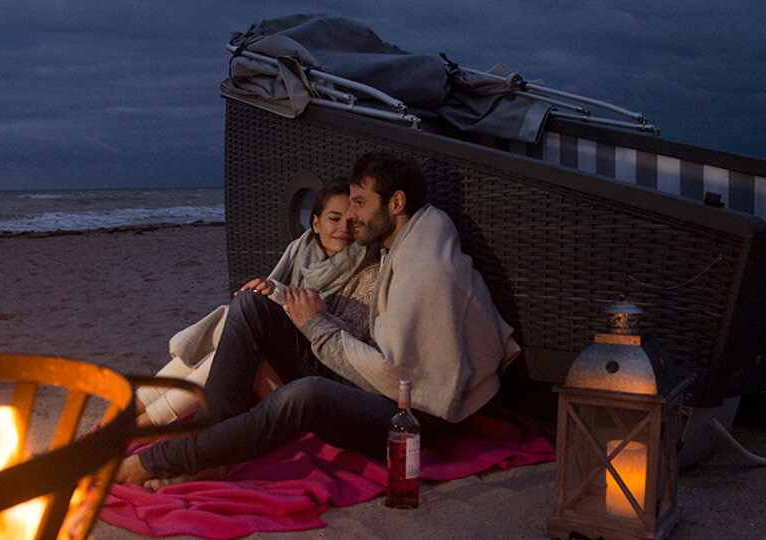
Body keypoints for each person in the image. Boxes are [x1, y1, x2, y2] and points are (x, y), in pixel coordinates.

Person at [116, 152, 520, 487]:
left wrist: (316, 325)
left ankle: (158, 461)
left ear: (396, 204)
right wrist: (293, 307)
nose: (353, 215)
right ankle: (208, 451)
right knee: (249, 305)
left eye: (360, 203)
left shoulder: (425, 267)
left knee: (304, 395)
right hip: (371, 383)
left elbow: (398, 378)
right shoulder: (397, 245)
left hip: (407, 418)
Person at [134, 178, 379, 427]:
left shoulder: (368, 267)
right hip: (290, 346)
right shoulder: (301, 249)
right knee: (234, 332)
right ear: (316, 223)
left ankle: (143, 423)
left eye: (352, 221)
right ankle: (130, 409)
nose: (343, 229)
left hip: (321, 365)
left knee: (238, 337)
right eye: (334, 219)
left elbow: (350, 344)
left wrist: (283, 296)